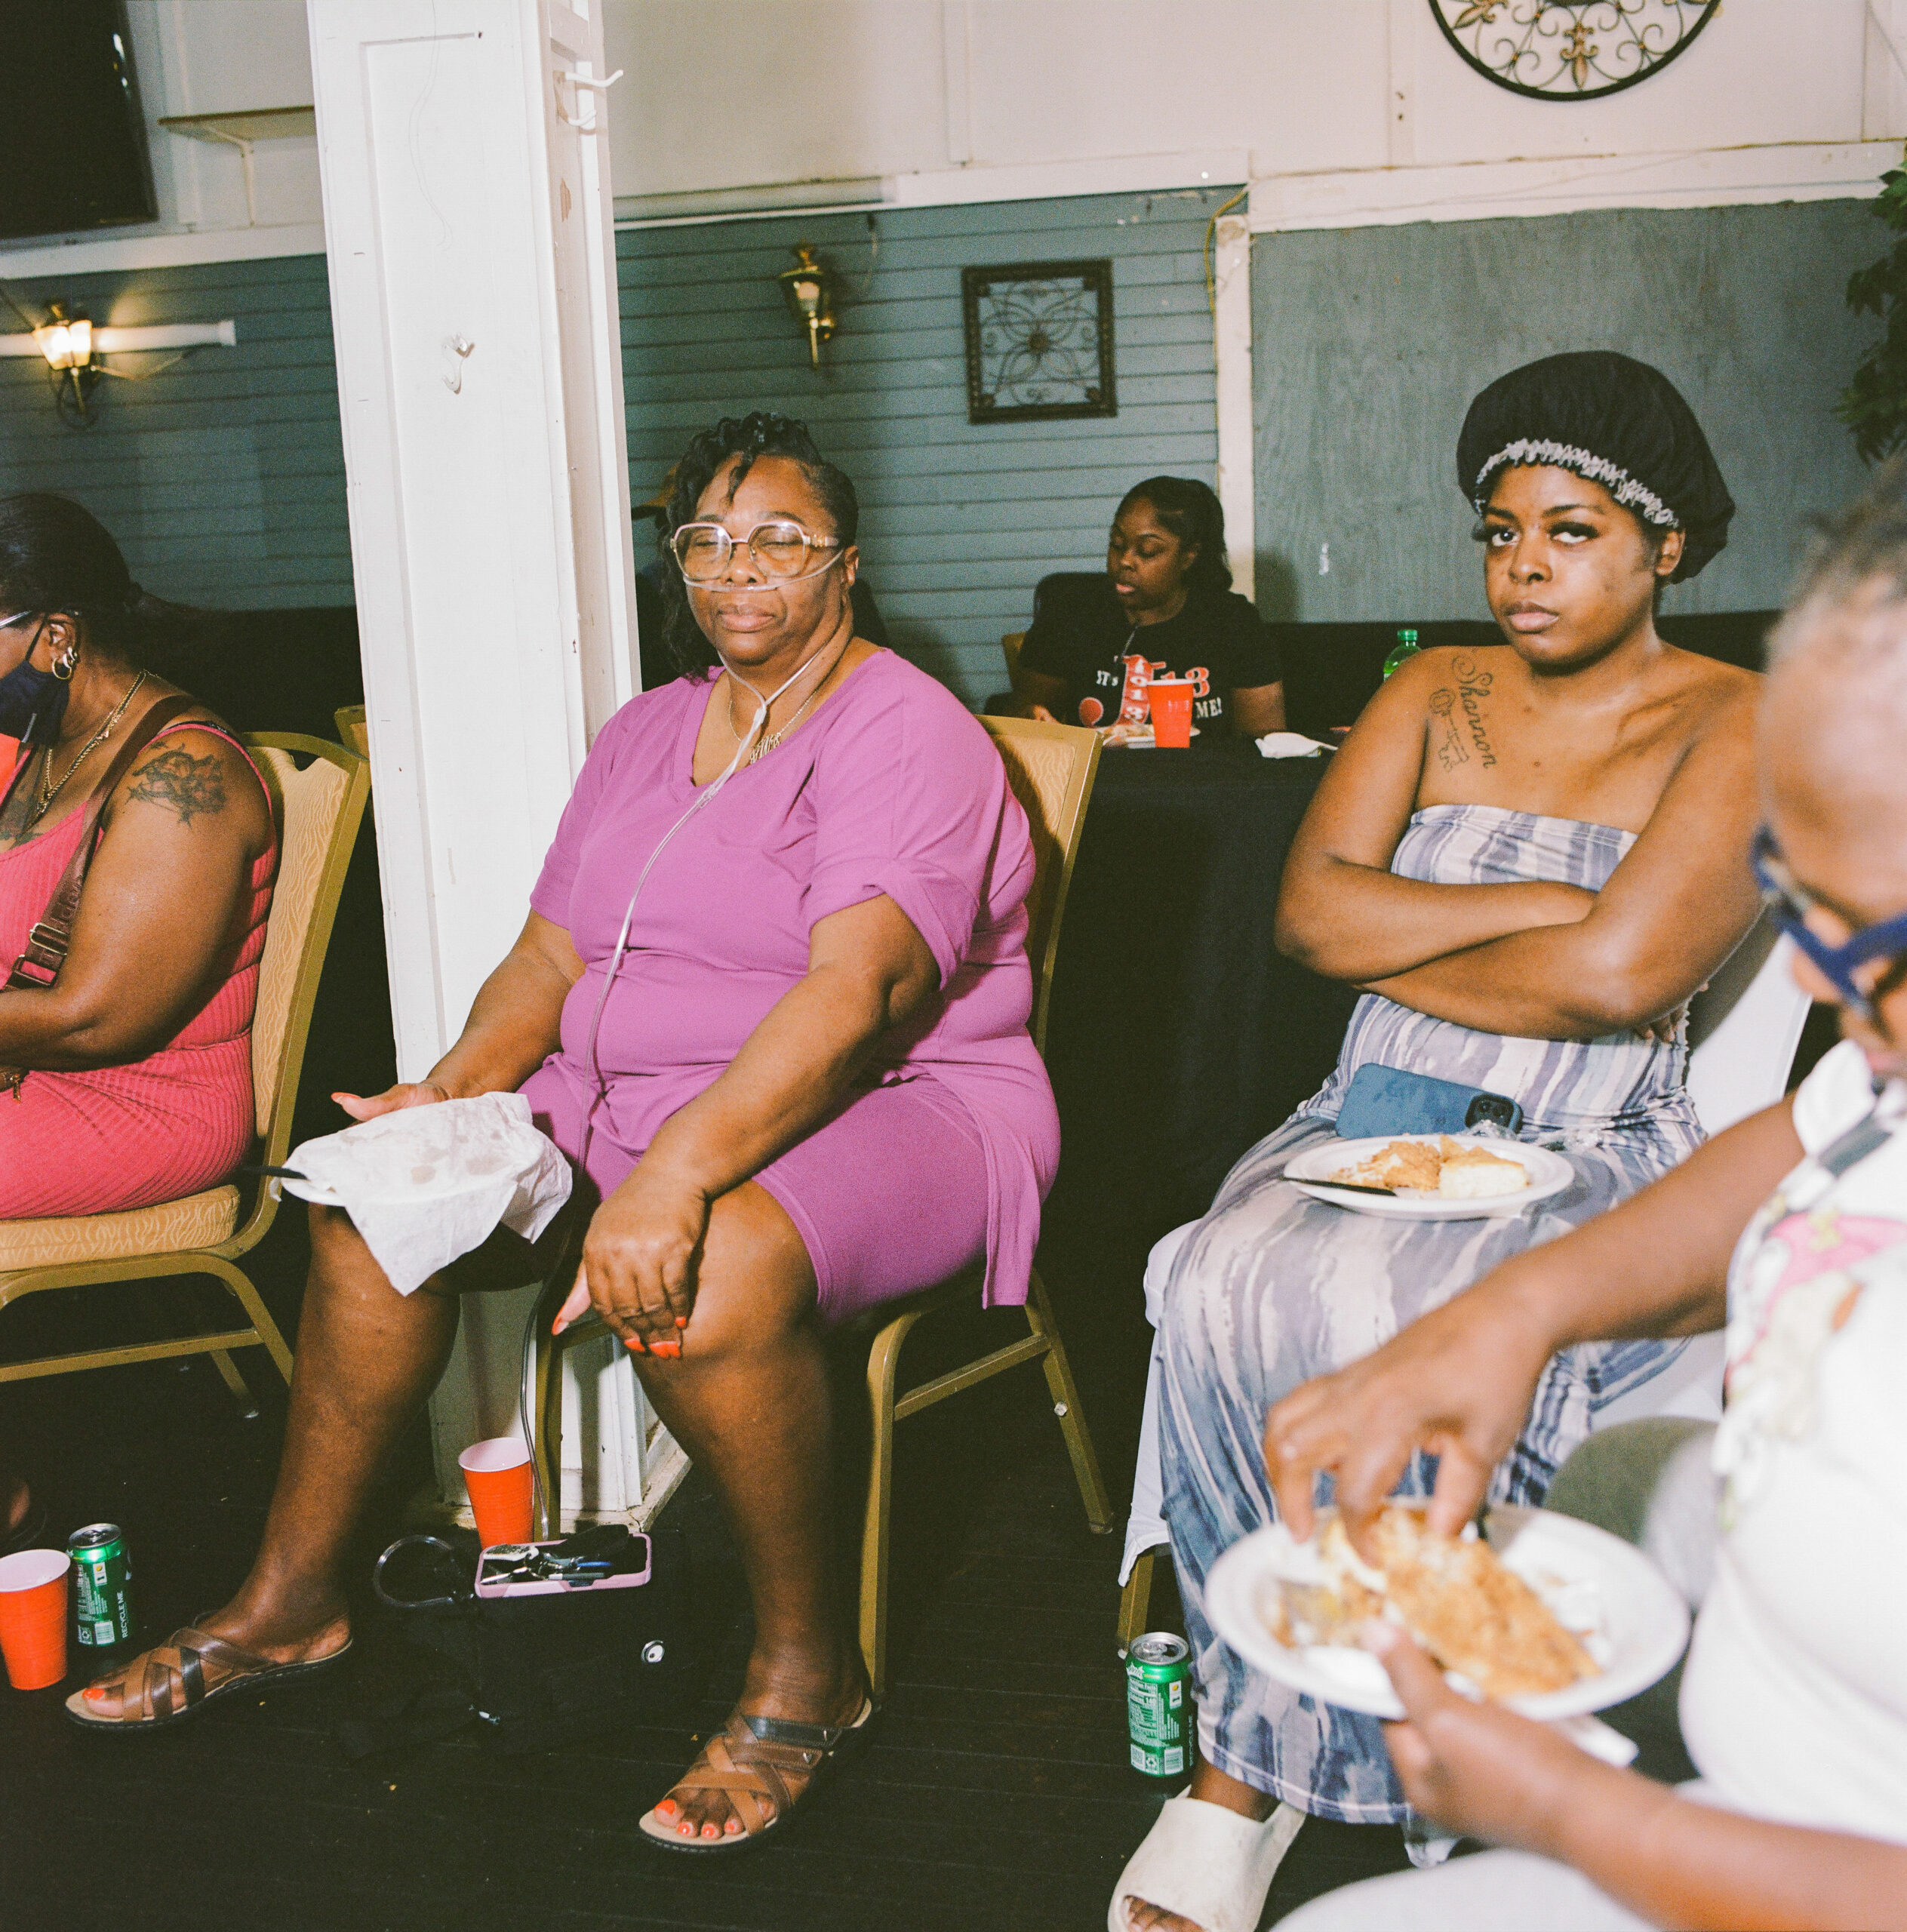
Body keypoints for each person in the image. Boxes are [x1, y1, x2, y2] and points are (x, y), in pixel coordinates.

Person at [70, 414, 1059, 1857]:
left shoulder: (904, 727)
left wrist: (670, 1178)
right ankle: (293, 1603)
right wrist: (450, 1091)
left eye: (779, 538)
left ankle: (806, 1673)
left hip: (905, 1103)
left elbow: (856, 1001)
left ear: (844, 564)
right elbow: (546, 961)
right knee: (372, 1217)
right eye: (708, 539)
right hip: (633, 1102)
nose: (739, 570)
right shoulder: (650, 727)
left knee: (702, 1279)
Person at [1112, 352, 1763, 1932]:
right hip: (1367, 1108)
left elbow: (1628, 981)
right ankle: (1250, 1753)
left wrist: (1414, 935)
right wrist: (1554, 911)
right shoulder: (1427, 690)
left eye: (1575, 530)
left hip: (1591, 1122)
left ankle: (1438, 1733)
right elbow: (1303, 913)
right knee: (1215, 1272)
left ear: (1663, 546)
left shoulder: (1739, 718)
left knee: (1400, 1300)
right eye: (1501, 530)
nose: (1525, 566)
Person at [1263, 465, 1907, 1932]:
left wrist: (1567, 1808)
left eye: (1868, 924)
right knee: (1614, 1480)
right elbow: (1801, 1141)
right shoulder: (1888, 1063)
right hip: (1764, 1748)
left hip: (1789, 1880)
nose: (1808, 976)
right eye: (1796, 894)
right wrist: (1511, 1312)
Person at [0, 494, 278, 1561]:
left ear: (56, 637)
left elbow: (98, 1017)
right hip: (35, 1072)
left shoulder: (183, 777)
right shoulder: (33, 740)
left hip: (136, 1100)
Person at [1013, 476, 1284, 740]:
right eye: (1116, 544)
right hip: (1097, 781)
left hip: (1204, 781)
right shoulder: (1070, 614)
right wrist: (1030, 719)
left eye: (1147, 551)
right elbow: (1021, 722)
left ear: (1189, 556)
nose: (1125, 561)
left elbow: (1265, 741)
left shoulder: (1233, 622)